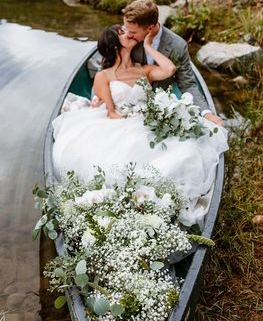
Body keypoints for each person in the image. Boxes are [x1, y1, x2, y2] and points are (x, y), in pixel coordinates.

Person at [52, 25, 228, 223]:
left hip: (147, 120)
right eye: (121, 33)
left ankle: (160, 203)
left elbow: (170, 69)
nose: (127, 32)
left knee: (186, 151)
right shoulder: (104, 76)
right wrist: (130, 117)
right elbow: (111, 112)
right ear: (114, 45)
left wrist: (148, 45)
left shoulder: (143, 70)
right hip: (120, 123)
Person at [123, 0, 224, 127]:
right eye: (126, 28)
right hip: (132, 100)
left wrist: (206, 112)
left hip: (164, 104)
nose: (127, 34)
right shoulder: (128, 38)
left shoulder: (178, 46)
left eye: (132, 32)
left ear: (149, 29)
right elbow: (112, 62)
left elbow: (187, 84)